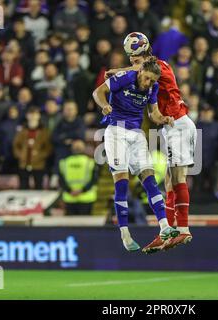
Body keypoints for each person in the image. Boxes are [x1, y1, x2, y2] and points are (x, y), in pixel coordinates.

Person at [105, 32, 197, 253]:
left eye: (134, 58)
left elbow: (139, 70)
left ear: (144, 53)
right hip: (170, 126)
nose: (132, 63)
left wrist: (117, 72)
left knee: (177, 178)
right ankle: (166, 232)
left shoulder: (158, 67)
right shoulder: (149, 69)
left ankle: (183, 228)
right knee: (168, 182)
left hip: (178, 123)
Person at [93, 57, 179, 252]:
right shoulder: (125, 77)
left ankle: (164, 226)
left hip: (136, 134)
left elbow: (153, 114)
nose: (148, 83)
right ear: (140, 72)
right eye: (147, 78)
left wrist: (164, 119)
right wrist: (104, 105)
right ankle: (125, 233)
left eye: (152, 81)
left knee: (149, 179)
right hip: (116, 132)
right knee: (122, 183)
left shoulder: (152, 88)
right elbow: (98, 92)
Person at [13, 106, 52, 189]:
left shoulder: (44, 131)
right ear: (27, 116)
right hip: (24, 163)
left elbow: (48, 148)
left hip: (38, 164)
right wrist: (21, 155)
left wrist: (40, 155)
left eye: (35, 114)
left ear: (39, 116)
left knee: (38, 186)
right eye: (31, 114)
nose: (33, 117)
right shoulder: (22, 130)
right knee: (23, 186)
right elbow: (16, 145)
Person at [59, 139, 99, 215]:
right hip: (87, 198)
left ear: (71, 149)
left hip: (70, 198)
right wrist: (82, 190)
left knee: (70, 225)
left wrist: (70, 190)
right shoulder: (90, 162)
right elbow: (94, 180)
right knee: (85, 225)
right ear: (83, 148)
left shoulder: (64, 162)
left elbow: (61, 181)